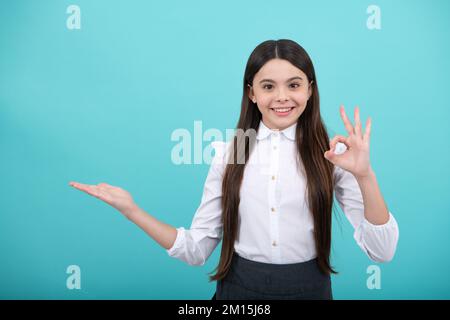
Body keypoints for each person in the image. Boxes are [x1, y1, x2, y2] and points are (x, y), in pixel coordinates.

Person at [69, 39, 399, 300]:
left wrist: (365, 176)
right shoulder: (232, 151)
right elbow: (196, 250)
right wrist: (131, 210)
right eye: (268, 86)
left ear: (310, 90)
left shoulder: (332, 154)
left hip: (310, 289)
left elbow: (382, 252)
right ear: (251, 93)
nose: (282, 97)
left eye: (294, 85)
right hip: (239, 292)